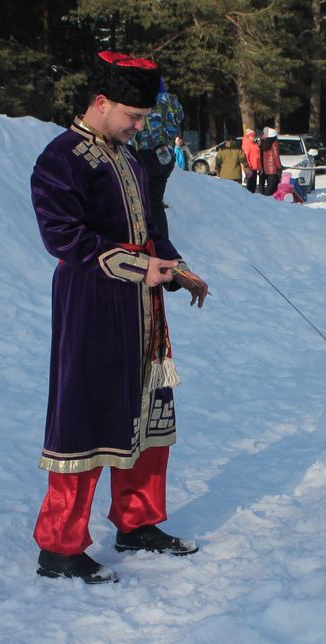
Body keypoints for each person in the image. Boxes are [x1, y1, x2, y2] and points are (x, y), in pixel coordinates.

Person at [29, 50, 210, 584]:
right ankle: (60, 547)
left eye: (143, 118)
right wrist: (137, 266)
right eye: (133, 116)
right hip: (91, 304)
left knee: (148, 412)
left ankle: (138, 521)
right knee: (85, 418)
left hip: (143, 309)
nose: (138, 127)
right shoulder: (61, 157)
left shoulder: (129, 159)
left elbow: (149, 228)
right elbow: (61, 235)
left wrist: (176, 269)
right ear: (102, 102)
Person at [131, 77, 185, 238]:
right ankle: (161, 241)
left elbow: (136, 122)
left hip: (149, 151)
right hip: (167, 156)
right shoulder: (172, 101)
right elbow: (180, 116)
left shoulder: (147, 100)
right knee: (155, 201)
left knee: (134, 195)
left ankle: (139, 238)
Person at [259, 128, 282, 195]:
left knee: (267, 186)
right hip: (273, 168)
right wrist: (279, 167)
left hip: (265, 167)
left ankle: (263, 197)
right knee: (272, 188)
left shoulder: (264, 142)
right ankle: (269, 198)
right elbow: (276, 156)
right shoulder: (274, 142)